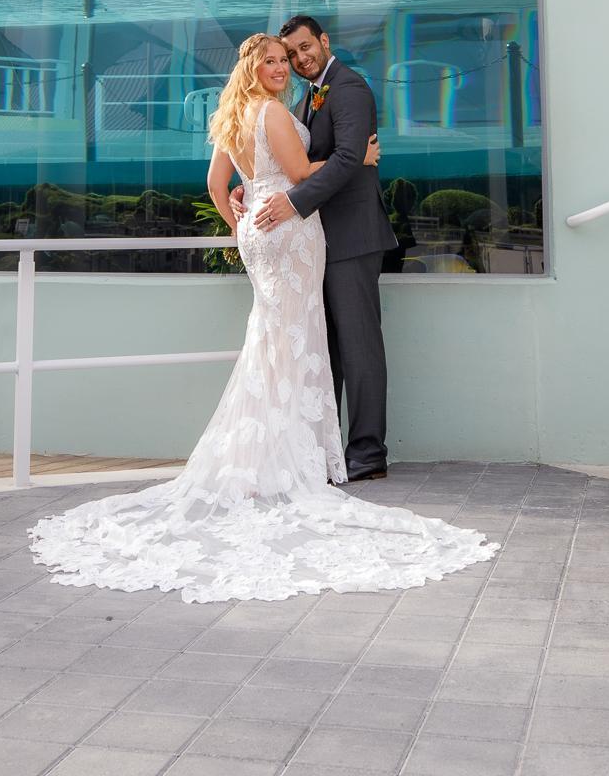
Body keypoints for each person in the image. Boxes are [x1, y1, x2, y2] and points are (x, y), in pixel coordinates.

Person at [29, 33, 496, 602]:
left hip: (261, 232)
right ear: (253, 68)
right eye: (272, 61)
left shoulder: (231, 115)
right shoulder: (272, 111)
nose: (283, 68)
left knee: (275, 338)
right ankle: (291, 457)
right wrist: (358, 159)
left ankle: (271, 453)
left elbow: (215, 185)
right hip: (291, 231)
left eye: (285, 60)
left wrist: (240, 225)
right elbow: (300, 174)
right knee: (297, 338)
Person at [244, 14, 394, 480]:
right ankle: (324, 450)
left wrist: (292, 203)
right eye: (290, 54)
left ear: (324, 41)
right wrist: (251, 188)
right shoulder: (308, 96)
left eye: (305, 48)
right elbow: (298, 161)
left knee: (359, 346)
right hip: (316, 242)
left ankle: (368, 452)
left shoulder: (348, 88)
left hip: (352, 237)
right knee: (325, 348)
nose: (299, 59)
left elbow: (348, 158)